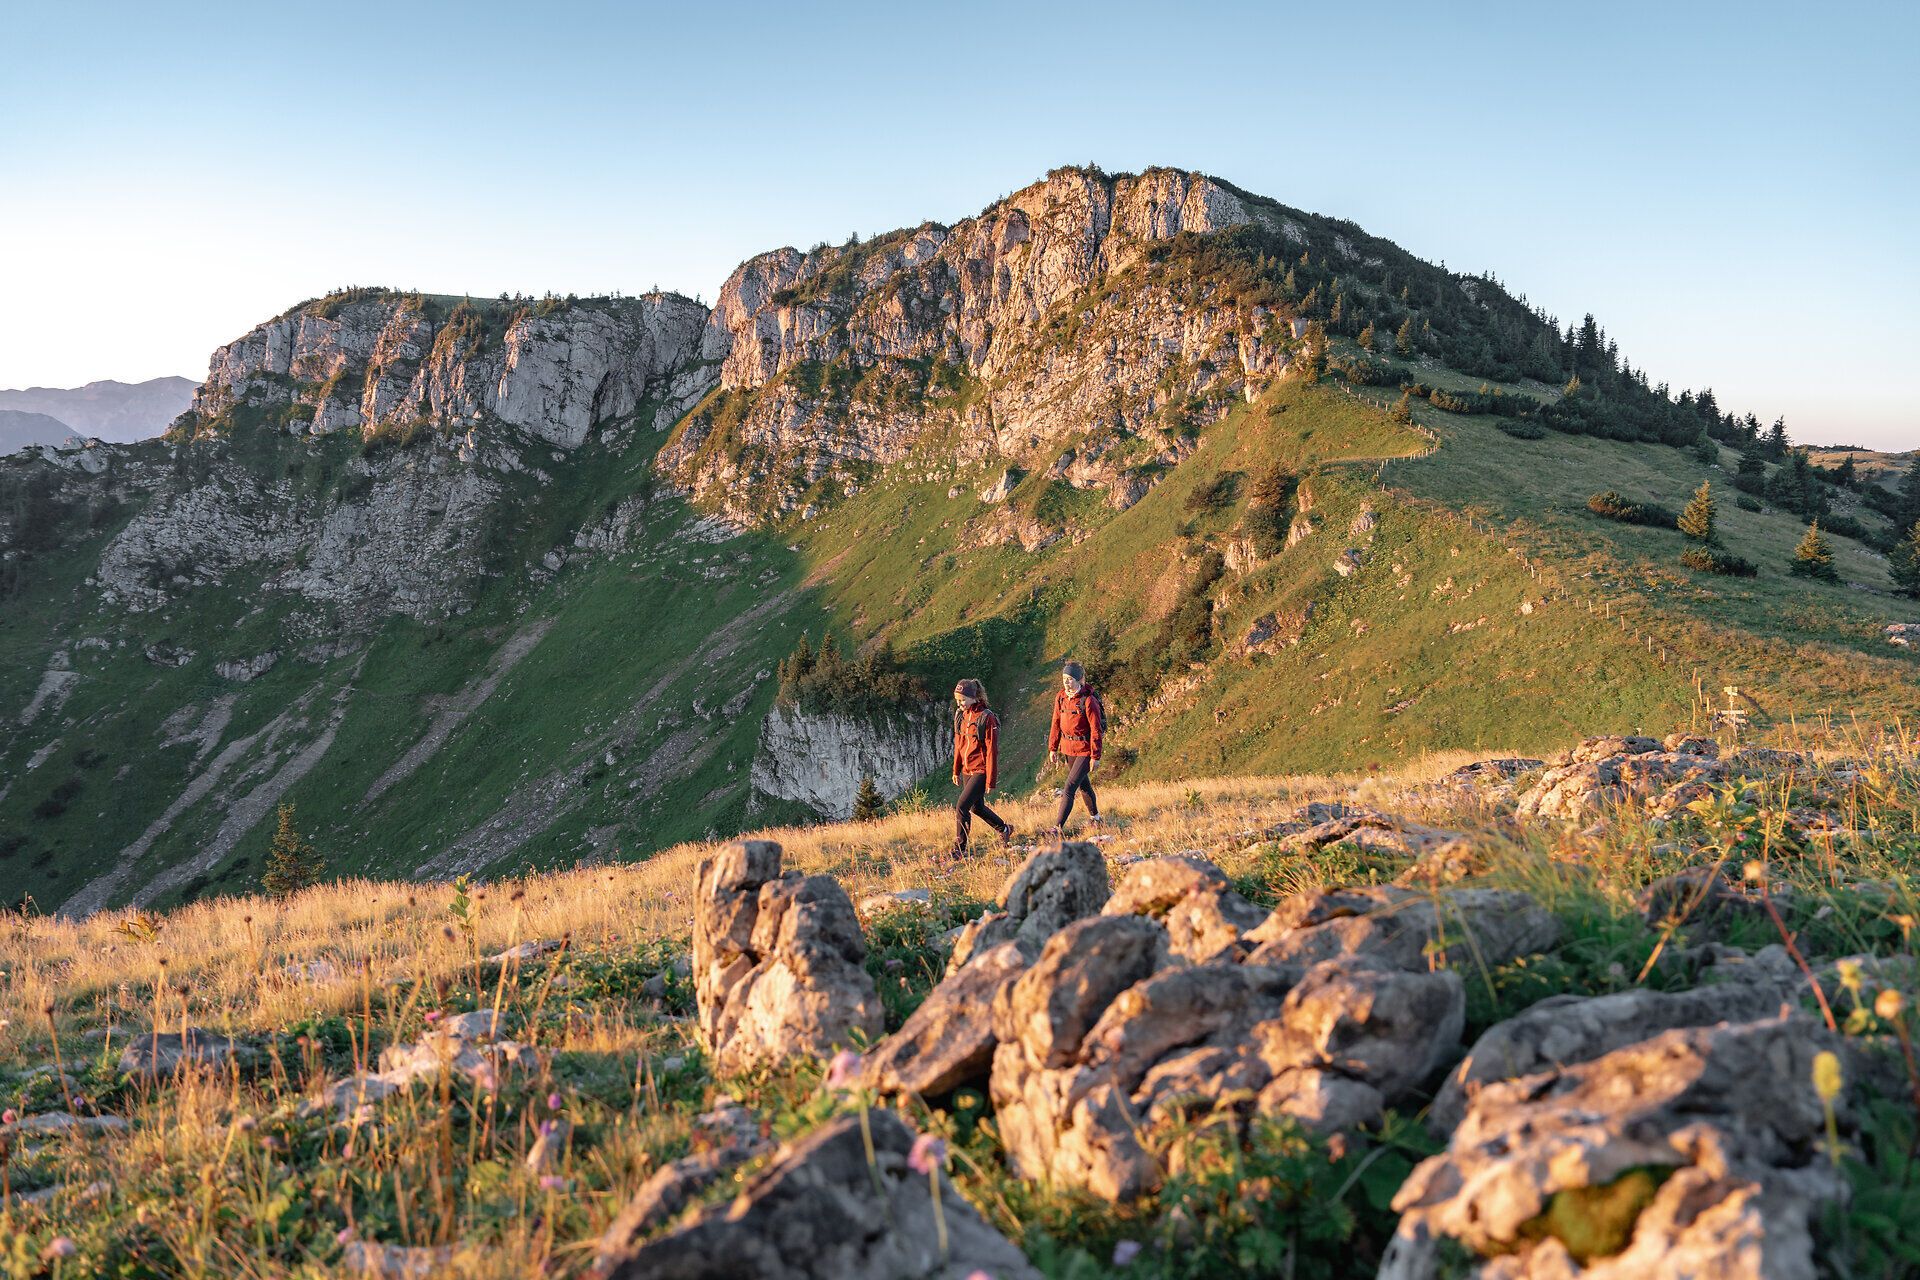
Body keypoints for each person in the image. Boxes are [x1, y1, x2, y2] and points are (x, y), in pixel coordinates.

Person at [950, 678, 1013, 855]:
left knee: (961, 806)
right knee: (975, 807)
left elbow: (992, 751)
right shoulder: (961, 715)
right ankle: (1004, 829)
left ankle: (959, 848)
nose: (959, 703)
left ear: (974, 697)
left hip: (981, 770)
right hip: (967, 770)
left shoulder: (987, 717)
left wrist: (990, 780)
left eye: (962, 700)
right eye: (957, 700)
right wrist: (956, 769)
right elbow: (959, 745)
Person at [1048, 661, 1106, 836]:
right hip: (1067, 748)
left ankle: (1057, 828)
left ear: (1080, 679)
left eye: (1070, 679)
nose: (1067, 682)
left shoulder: (1088, 701)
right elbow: (1056, 723)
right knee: (1083, 785)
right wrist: (1053, 748)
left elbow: (1096, 730)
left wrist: (1095, 756)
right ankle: (1096, 818)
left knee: (1070, 787)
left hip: (1084, 749)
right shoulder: (1060, 697)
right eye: (1064, 678)